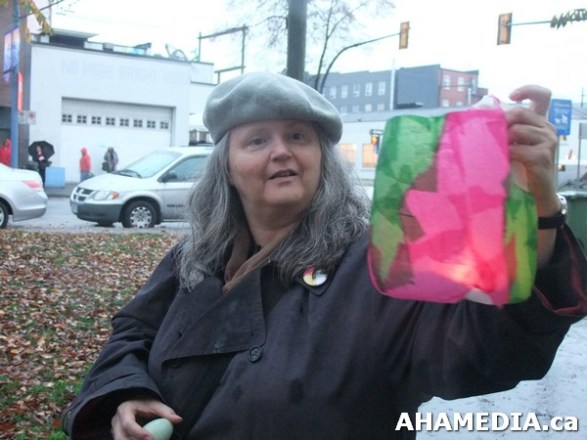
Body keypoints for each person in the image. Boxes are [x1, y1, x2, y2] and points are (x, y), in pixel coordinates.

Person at [62, 72, 587, 440]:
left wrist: (540, 209)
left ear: (322, 159)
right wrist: (125, 393)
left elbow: (488, 351)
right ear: (227, 168)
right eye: (257, 140)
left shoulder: (382, 261)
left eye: (297, 136)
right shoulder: (193, 258)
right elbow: (131, 332)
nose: (281, 150)